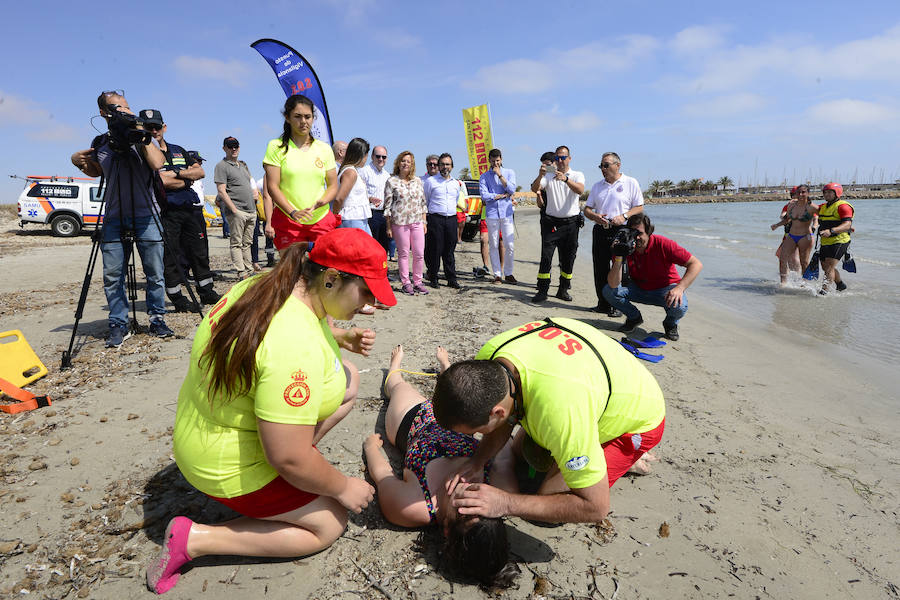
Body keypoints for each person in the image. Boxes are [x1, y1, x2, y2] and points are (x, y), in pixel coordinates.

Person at [146, 228, 396, 595]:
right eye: (365, 291)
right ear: (330, 278)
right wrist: (342, 486)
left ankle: (294, 465)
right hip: (224, 462)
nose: (370, 303)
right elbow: (287, 457)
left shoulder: (272, 282)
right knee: (330, 522)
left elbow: (305, 324)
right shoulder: (294, 346)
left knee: (348, 379)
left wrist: (341, 337)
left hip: (200, 424)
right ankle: (195, 538)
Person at [431, 317, 665, 525]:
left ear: (498, 413)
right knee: (523, 452)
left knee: (548, 503)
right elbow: (506, 420)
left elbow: (596, 508)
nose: (472, 438)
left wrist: (505, 503)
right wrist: (478, 461)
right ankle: (587, 450)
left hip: (638, 418)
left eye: (475, 432)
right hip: (590, 377)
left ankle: (619, 452)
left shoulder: (560, 412)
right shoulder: (490, 358)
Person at [363, 345, 518, 587]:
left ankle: (394, 367)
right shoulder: (501, 489)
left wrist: (372, 448)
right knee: (461, 395)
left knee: (398, 388)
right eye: (485, 505)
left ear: (446, 528)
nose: (473, 494)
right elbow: (506, 449)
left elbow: (383, 476)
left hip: (416, 421)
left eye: (467, 507)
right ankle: (446, 370)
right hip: (467, 421)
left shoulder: (412, 507)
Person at [70, 91, 173, 348]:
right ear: (104, 113)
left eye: (127, 106)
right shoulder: (100, 141)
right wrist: (78, 163)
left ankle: (157, 318)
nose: (125, 111)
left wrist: (140, 134)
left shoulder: (141, 135)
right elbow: (96, 171)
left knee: (155, 273)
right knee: (112, 274)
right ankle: (118, 322)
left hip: (147, 214)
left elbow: (158, 163)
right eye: (118, 108)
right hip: (114, 216)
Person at [144, 110, 219, 312]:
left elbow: (200, 172)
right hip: (166, 210)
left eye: (157, 127)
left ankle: (207, 292)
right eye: (149, 127)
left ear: (164, 127)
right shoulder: (144, 152)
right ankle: (177, 297)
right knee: (172, 255)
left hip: (190, 209)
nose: (154, 131)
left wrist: (176, 173)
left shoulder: (178, 150)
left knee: (199, 251)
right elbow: (159, 181)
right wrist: (185, 179)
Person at [603, 214, 703, 341]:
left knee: (680, 305)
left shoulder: (663, 244)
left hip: (664, 290)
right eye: (633, 233)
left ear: (649, 232)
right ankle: (634, 318)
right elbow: (613, 284)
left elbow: (696, 264)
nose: (636, 238)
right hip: (637, 288)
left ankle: (670, 324)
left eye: (640, 233)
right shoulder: (625, 247)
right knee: (608, 291)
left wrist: (680, 288)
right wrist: (618, 257)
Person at [263, 94, 338, 251]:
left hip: (321, 219)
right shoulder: (276, 147)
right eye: (297, 116)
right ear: (287, 118)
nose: (303, 121)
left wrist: (322, 202)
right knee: (292, 272)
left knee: (322, 270)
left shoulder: (324, 149)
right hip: (288, 221)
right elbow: (272, 187)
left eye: (307, 117)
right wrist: (293, 212)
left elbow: (332, 186)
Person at [583, 152, 644, 316]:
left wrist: (624, 216)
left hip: (622, 231)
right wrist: (594, 216)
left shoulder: (630, 182)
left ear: (618, 165)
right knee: (600, 268)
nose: (603, 168)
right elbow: (587, 210)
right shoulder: (597, 186)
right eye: (601, 166)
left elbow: (639, 207)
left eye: (606, 165)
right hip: (601, 231)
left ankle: (617, 305)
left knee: (619, 269)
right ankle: (603, 304)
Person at [529, 146, 585, 302]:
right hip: (551, 223)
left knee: (568, 258)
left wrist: (566, 179)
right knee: (546, 257)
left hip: (571, 223)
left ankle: (563, 289)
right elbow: (535, 189)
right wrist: (540, 175)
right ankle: (542, 290)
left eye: (563, 157)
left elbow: (580, 190)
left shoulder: (577, 174)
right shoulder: (548, 175)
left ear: (569, 158)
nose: (560, 161)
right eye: (557, 158)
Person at [384, 150, 428, 295]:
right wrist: (389, 226)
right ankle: (406, 282)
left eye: (408, 161)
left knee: (419, 253)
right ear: (398, 163)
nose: (405, 164)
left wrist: (424, 222)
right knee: (403, 253)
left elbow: (423, 203)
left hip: (417, 221)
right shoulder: (391, 181)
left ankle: (418, 281)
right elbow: (388, 206)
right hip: (400, 223)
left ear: (412, 164)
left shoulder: (418, 181)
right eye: (403, 161)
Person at [214, 136, 257, 279]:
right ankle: (241, 271)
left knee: (247, 243)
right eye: (230, 146)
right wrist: (233, 210)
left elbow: (250, 183)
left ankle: (249, 269)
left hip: (251, 210)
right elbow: (221, 190)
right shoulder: (222, 166)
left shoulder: (243, 165)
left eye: (236, 146)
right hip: (237, 211)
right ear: (224, 148)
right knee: (236, 243)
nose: (234, 149)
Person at [423, 153, 463, 289]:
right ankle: (433, 277)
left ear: (451, 166)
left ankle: (451, 278)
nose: (445, 167)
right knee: (435, 250)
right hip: (435, 219)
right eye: (442, 164)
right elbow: (426, 200)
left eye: (448, 164)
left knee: (449, 250)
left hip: (451, 219)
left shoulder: (456, 184)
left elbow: (456, 200)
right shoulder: (431, 181)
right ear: (439, 166)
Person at [479, 149, 517, 284]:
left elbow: (512, 189)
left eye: (498, 160)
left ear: (501, 159)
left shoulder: (509, 172)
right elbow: (484, 195)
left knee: (509, 244)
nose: (495, 163)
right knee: (494, 244)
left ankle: (509, 272)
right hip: (492, 214)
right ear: (489, 160)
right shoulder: (484, 177)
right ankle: (497, 274)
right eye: (493, 160)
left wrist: (500, 176)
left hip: (506, 213)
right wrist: (498, 196)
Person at [770, 184, 817, 283]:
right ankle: (783, 283)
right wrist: (777, 225)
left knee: (804, 262)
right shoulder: (791, 205)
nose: (800, 194)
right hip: (791, 235)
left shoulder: (812, 207)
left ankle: (805, 283)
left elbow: (823, 218)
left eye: (803, 192)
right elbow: (787, 219)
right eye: (798, 192)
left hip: (805, 236)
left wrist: (845, 226)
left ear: (808, 193)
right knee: (782, 258)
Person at [816, 182, 854, 294]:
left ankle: (823, 292)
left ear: (837, 193)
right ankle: (840, 284)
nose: (826, 194)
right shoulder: (823, 207)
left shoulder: (843, 206)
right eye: (825, 192)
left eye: (829, 192)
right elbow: (811, 209)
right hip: (825, 241)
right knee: (826, 267)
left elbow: (847, 225)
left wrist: (831, 231)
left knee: (829, 268)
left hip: (840, 240)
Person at [359, 145, 394, 259]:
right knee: (370, 245)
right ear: (372, 156)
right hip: (370, 214)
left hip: (384, 215)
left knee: (383, 246)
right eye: (378, 156)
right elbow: (357, 193)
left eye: (384, 157)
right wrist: (369, 198)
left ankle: (381, 272)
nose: (381, 159)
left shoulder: (387, 175)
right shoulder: (364, 172)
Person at [333, 137, 372, 233]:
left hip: (358, 219)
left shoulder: (352, 170)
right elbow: (339, 198)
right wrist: (335, 217)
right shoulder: (350, 172)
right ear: (362, 155)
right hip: (351, 219)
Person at [250, 173, 276, 270]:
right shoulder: (264, 182)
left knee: (267, 239)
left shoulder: (259, 182)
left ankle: (267, 259)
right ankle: (271, 258)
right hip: (272, 213)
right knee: (273, 239)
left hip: (264, 213)